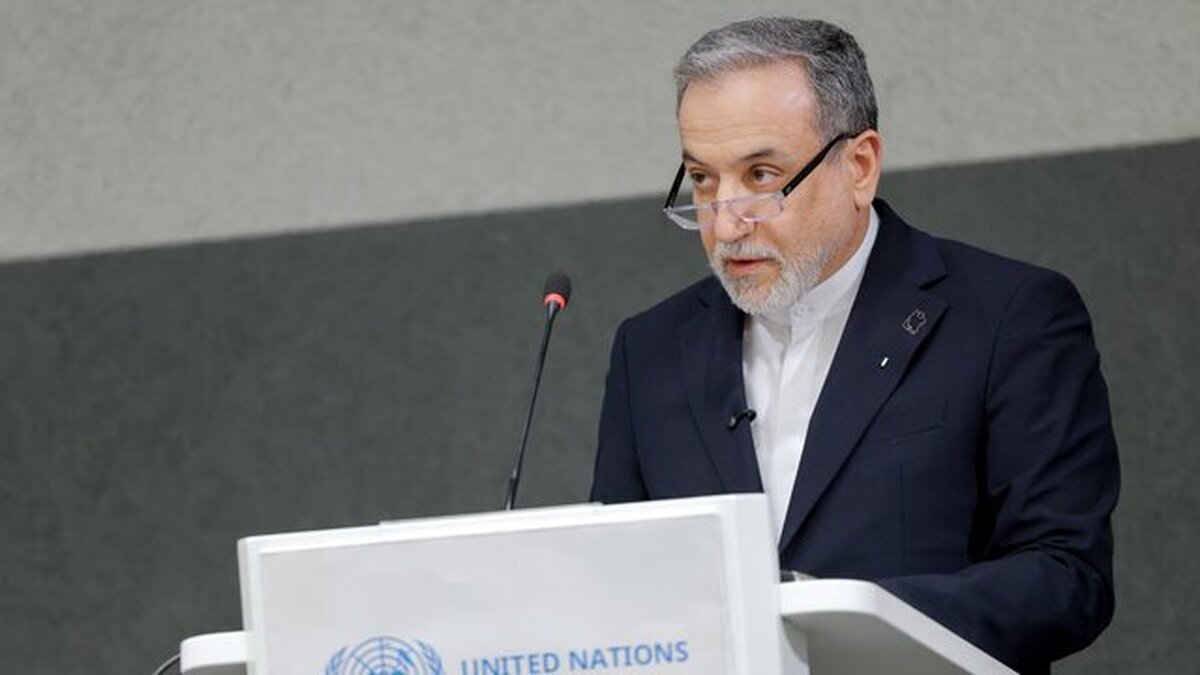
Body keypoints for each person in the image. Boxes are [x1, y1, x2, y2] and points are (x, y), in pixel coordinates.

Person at [590, 17, 1118, 674]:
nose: (724, 223)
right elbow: (616, 585)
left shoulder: (1009, 316)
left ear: (860, 166)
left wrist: (837, 614)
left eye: (762, 174)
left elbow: (1066, 577)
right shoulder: (650, 351)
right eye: (702, 179)